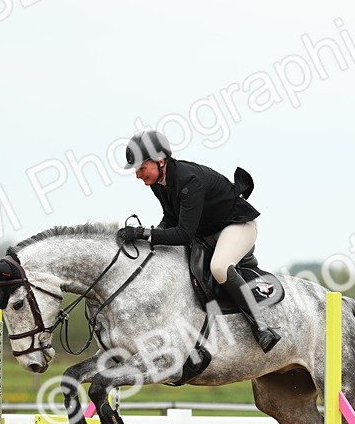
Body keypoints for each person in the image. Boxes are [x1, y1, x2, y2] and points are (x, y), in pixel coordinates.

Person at [116, 129, 280, 352]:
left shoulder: (189, 181)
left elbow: (183, 234)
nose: (137, 175)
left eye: (142, 168)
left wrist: (144, 233)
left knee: (220, 267)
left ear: (160, 161)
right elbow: (171, 217)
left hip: (237, 226)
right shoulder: (159, 182)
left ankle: (262, 327)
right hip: (207, 231)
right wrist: (152, 235)